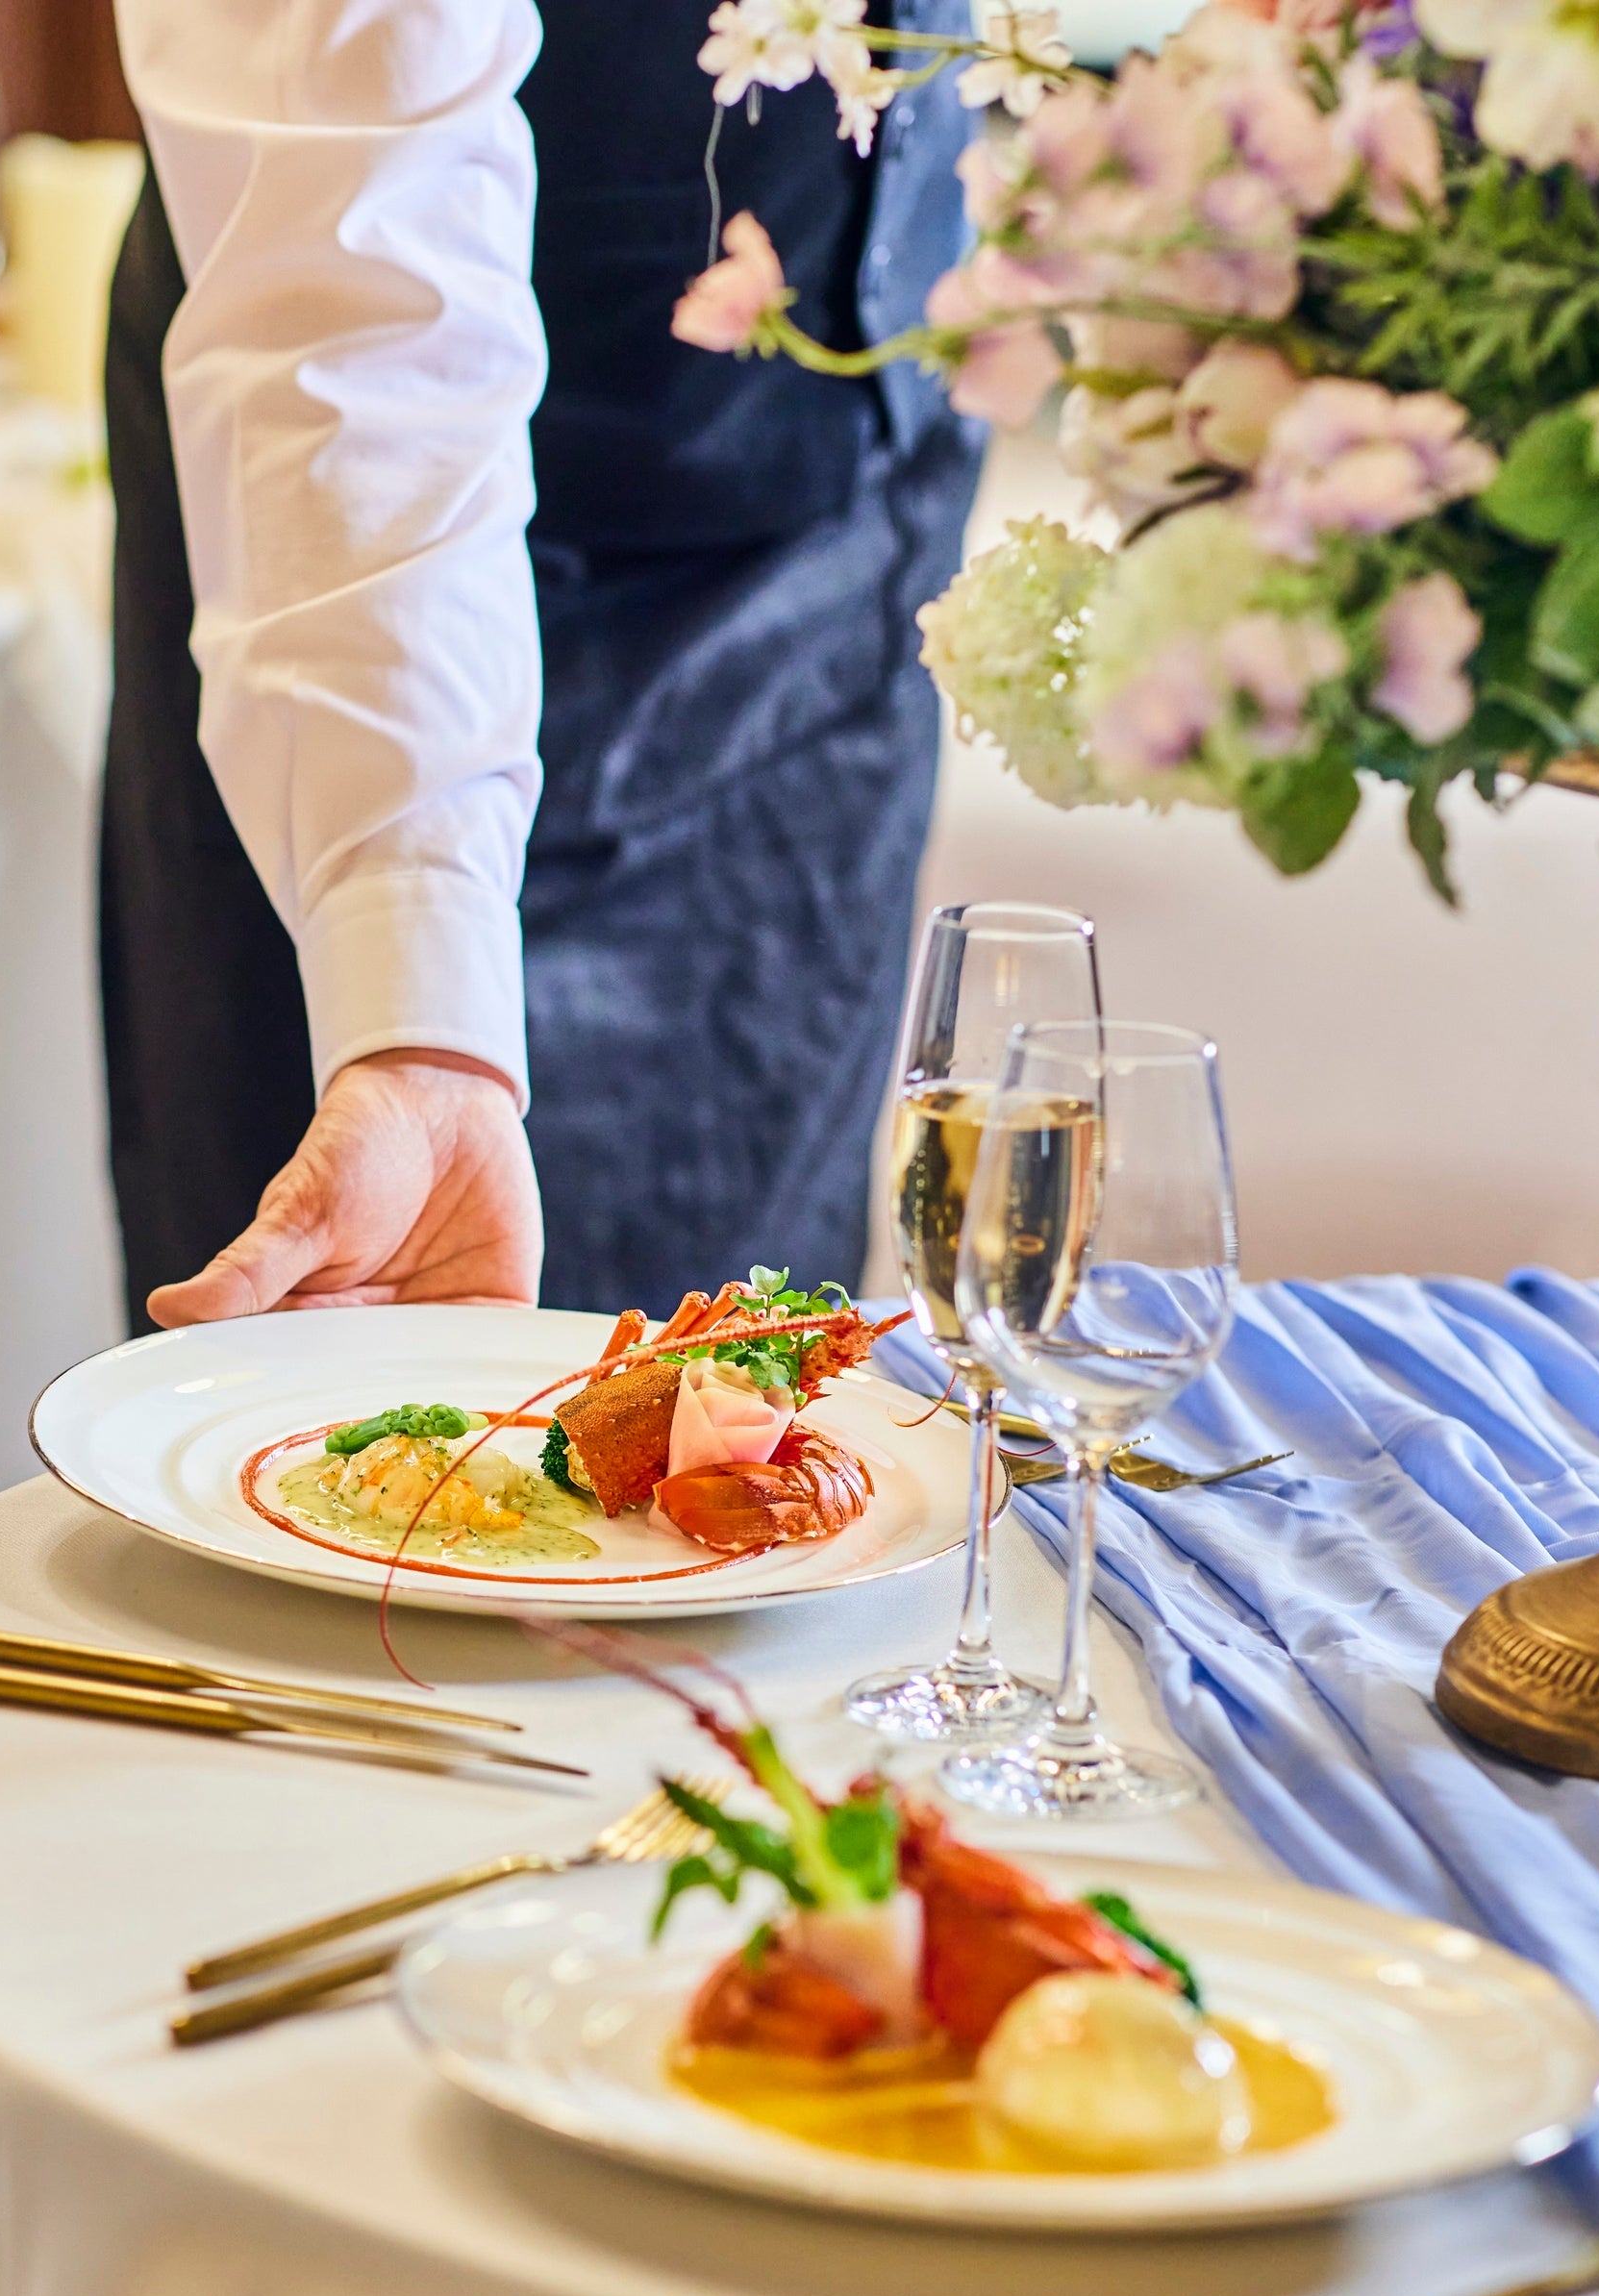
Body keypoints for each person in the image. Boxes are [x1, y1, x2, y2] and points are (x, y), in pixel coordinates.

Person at [100, 0, 985, 1329]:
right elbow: (357, 249)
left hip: (844, 501)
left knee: (743, 1408)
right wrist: (417, 1008)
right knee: (375, 1430)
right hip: (390, 583)